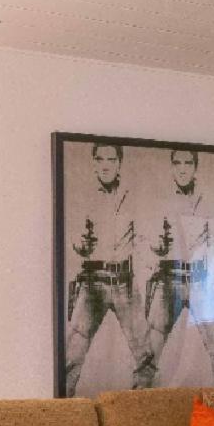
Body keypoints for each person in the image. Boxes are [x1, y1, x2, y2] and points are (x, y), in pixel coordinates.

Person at [63, 142, 149, 394]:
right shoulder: (82, 197)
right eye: (100, 159)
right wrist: (82, 243)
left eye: (111, 160)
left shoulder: (132, 196)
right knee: (72, 356)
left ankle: (139, 409)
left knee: (146, 356)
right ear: (93, 163)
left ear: (119, 163)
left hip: (125, 282)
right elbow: (74, 243)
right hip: (93, 283)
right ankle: (65, 412)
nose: (105, 165)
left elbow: (143, 237)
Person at [142, 146, 214, 386]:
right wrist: (157, 246)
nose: (183, 169)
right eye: (178, 163)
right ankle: (137, 405)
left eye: (188, 163)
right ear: (172, 167)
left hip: (201, 281)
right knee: (148, 356)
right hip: (169, 280)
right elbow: (147, 244)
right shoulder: (160, 202)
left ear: (195, 168)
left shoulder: (208, 201)